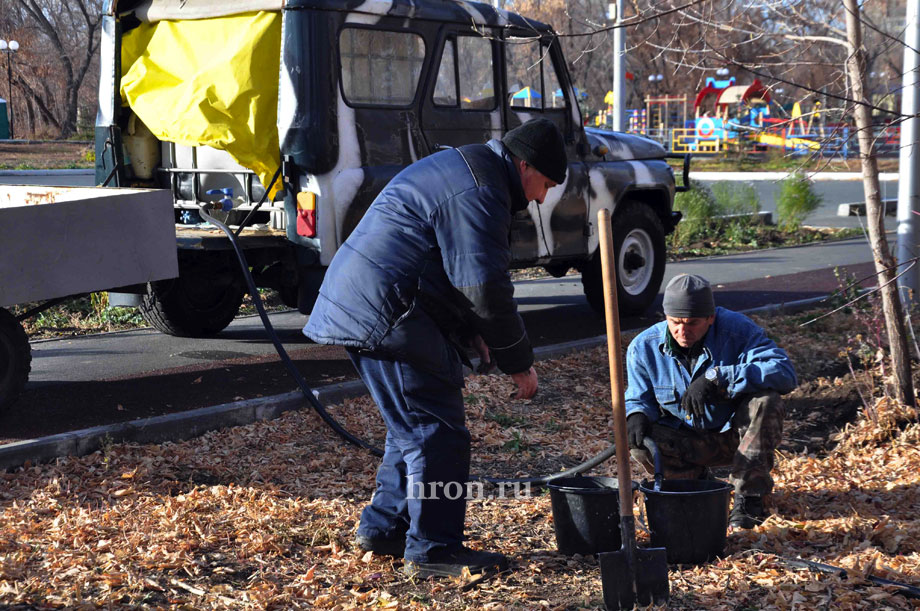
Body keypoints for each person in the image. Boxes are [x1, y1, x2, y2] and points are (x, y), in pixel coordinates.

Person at [303, 118, 567, 577]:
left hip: (371, 302)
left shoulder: (468, 170)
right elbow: (483, 285)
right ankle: (434, 549)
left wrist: (473, 334)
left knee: (412, 427)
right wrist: (519, 362)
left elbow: (446, 265)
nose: (540, 197)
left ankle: (385, 527)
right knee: (436, 433)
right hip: (389, 313)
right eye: (543, 184)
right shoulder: (481, 190)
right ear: (525, 165)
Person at [624, 274, 797, 529]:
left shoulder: (737, 331)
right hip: (686, 439)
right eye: (675, 322)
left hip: (736, 439)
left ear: (711, 318)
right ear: (665, 317)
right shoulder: (643, 347)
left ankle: (749, 498)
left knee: (766, 401)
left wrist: (718, 377)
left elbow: (784, 372)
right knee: (641, 441)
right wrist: (636, 413)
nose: (683, 331)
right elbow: (638, 397)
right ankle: (692, 484)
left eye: (692, 323)